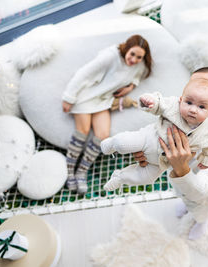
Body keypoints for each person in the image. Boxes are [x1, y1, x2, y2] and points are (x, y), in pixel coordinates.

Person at [134, 67, 208, 240]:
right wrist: (150, 155)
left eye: (207, 87)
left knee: (200, 210)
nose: (199, 92)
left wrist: (180, 167)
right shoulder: (183, 115)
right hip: (179, 181)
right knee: (182, 195)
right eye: (193, 85)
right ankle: (186, 204)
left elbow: (203, 189)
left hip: (204, 195)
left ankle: (202, 222)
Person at [62, 34, 152, 194]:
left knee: (103, 135)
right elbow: (84, 73)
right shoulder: (110, 56)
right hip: (86, 96)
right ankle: (70, 172)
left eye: (139, 57)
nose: (134, 60)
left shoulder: (138, 65)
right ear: (126, 48)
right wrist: (69, 97)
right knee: (82, 131)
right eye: (132, 54)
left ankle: (81, 173)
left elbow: (139, 74)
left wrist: (131, 86)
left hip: (103, 100)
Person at [100, 78, 208, 190]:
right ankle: (111, 143)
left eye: (202, 106)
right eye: (188, 102)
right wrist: (150, 101)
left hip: (162, 161)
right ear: (181, 99)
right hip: (149, 138)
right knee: (122, 144)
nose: (193, 110)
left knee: (147, 178)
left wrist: (207, 159)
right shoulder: (174, 105)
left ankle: (120, 177)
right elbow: (159, 104)